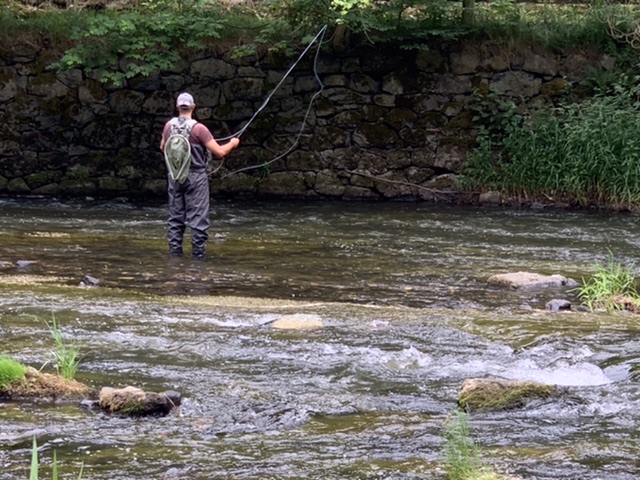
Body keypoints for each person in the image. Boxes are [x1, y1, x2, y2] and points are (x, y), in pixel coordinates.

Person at [160, 92, 240, 258]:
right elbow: (219, 152)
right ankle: (198, 258)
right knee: (198, 219)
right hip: (196, 178)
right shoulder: (199, 129)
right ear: (193, 107)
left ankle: (175, 257)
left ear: (177, 107)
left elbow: (163, 147)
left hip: (175, 176)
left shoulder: (169, 126)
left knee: (175, 218)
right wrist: (232, 143)